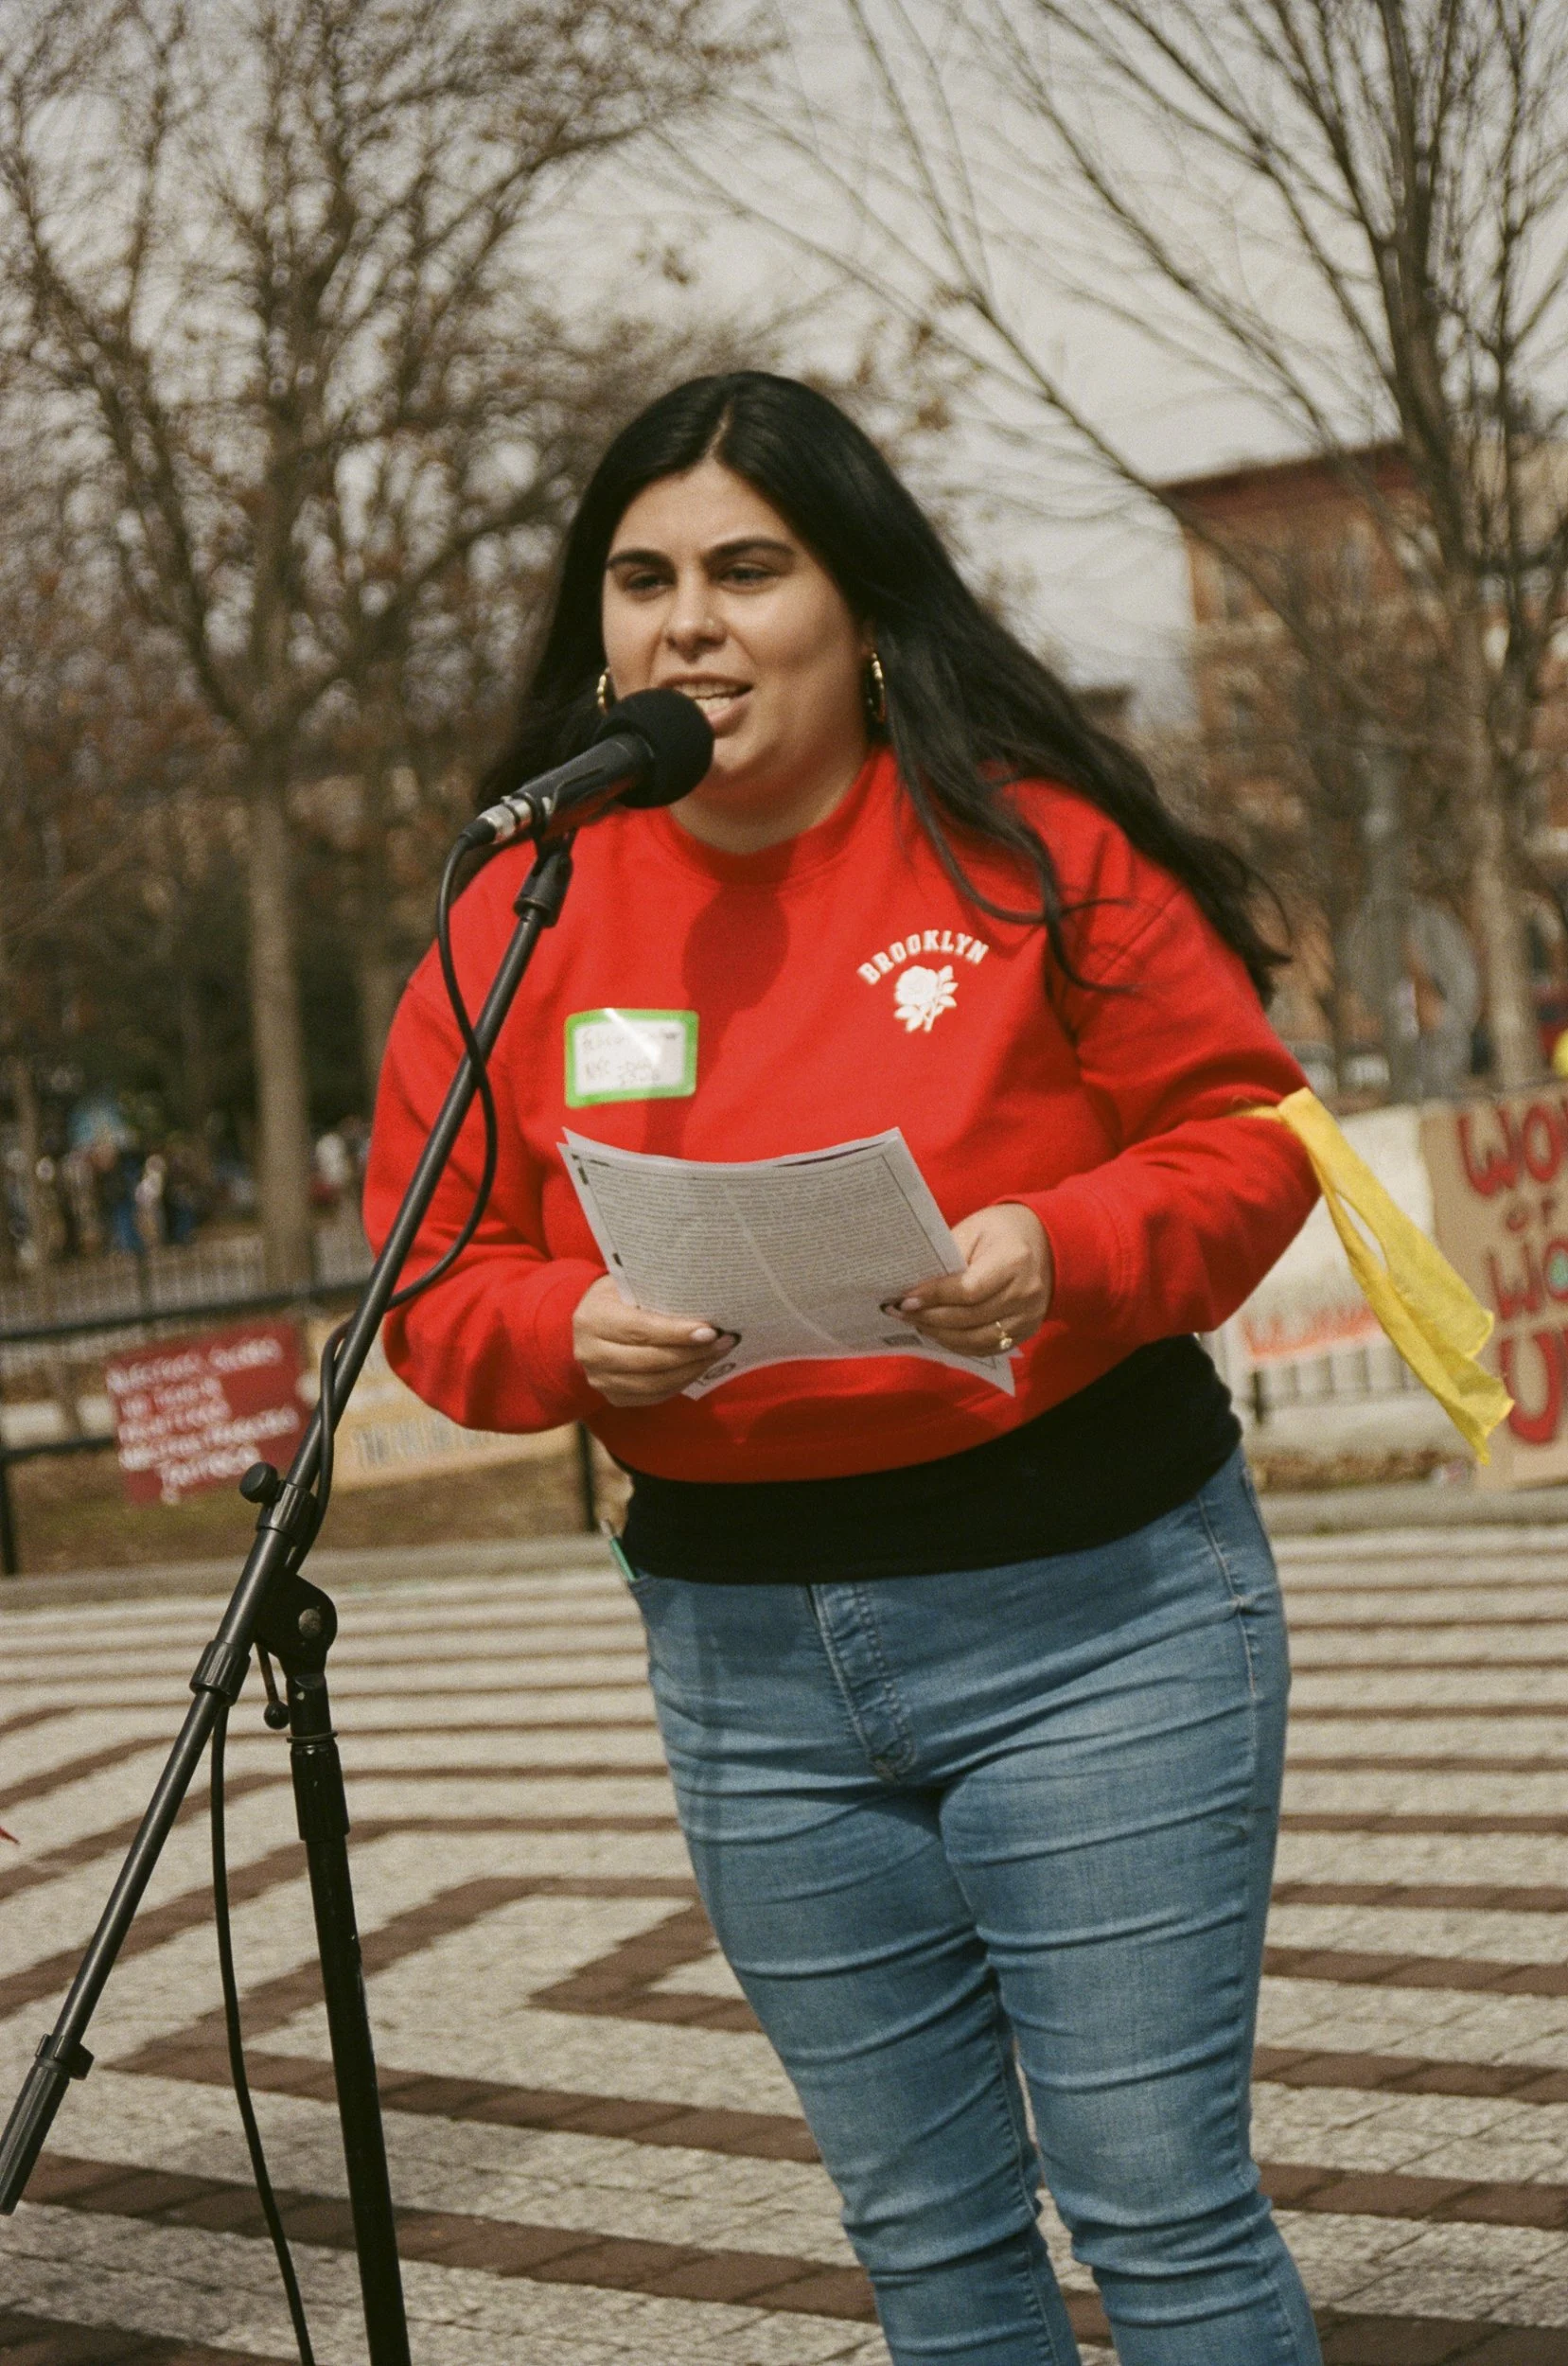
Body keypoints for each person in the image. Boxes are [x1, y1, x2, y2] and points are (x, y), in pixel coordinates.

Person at [365, 372, 1324, 2365]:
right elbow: (434, 1275)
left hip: (1102, 1617)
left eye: (744, 567)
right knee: (932, 2249)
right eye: (641, 579)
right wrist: (569, 1326)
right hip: (748, 1667)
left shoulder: (1027, 841)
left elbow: (1243, 1139)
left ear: (857, 601)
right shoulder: (523, 901)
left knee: (1158, 2213)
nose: (685, 622)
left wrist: (1058, 1244)